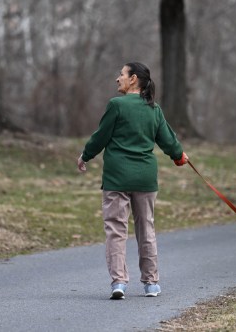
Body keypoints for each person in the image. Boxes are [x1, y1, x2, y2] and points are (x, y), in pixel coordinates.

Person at [77, 62, 188, 300]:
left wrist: (85, 156)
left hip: (117, 179)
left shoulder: (116, 105)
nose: (118, 79)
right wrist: (179, 156)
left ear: (133, 79)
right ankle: (152, 284)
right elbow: (168, 139)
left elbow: (100, 137)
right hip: (146, 178)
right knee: (146, 229)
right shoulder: (154, 109)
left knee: (116, 230)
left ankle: (119, 282)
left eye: (121, 74)